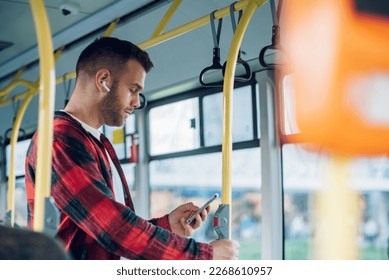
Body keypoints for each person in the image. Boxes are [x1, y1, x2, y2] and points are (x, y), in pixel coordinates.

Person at [25, 37, 239, 260]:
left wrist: (167, 225)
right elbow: (112, 227)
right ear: (103, 80)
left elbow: (107, 231)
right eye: (133, 89)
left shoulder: (96, 142)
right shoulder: (60, 139)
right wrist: (203, 255)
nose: (137, 102)